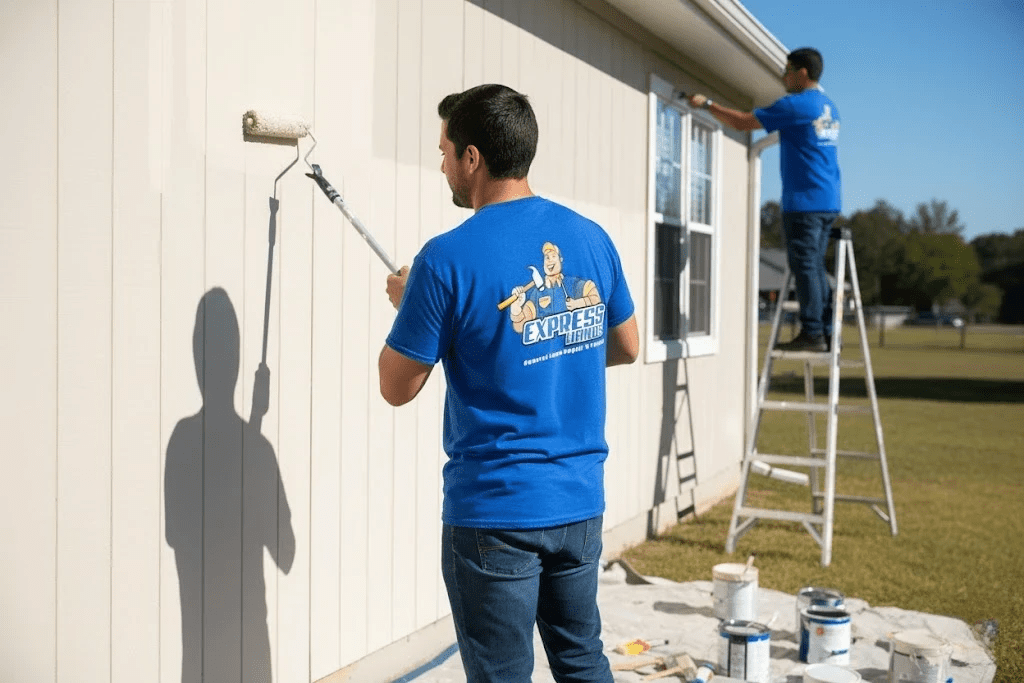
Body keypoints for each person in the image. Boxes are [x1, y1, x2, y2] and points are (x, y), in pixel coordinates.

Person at [378, 83, 639, 683]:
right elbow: (624, 346)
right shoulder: (590, 238)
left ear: (473, 158)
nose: (440, 163)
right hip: (578, 503)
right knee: (581, 661)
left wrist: (411, 305)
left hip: (496, 514)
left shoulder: (445, 261)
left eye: (444, 150)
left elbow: (396, 386)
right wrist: (548, 344)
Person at [689, 47, 841, 352]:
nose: (783, 77)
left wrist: (707, 104)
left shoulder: (797, 105)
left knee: (807, 268)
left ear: (802, 72)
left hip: (804, 202)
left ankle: (813, 332)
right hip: (828, 200)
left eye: (787, 70)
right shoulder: (828, 106)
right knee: (815, 267)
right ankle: (824, 330)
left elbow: (745, 123)